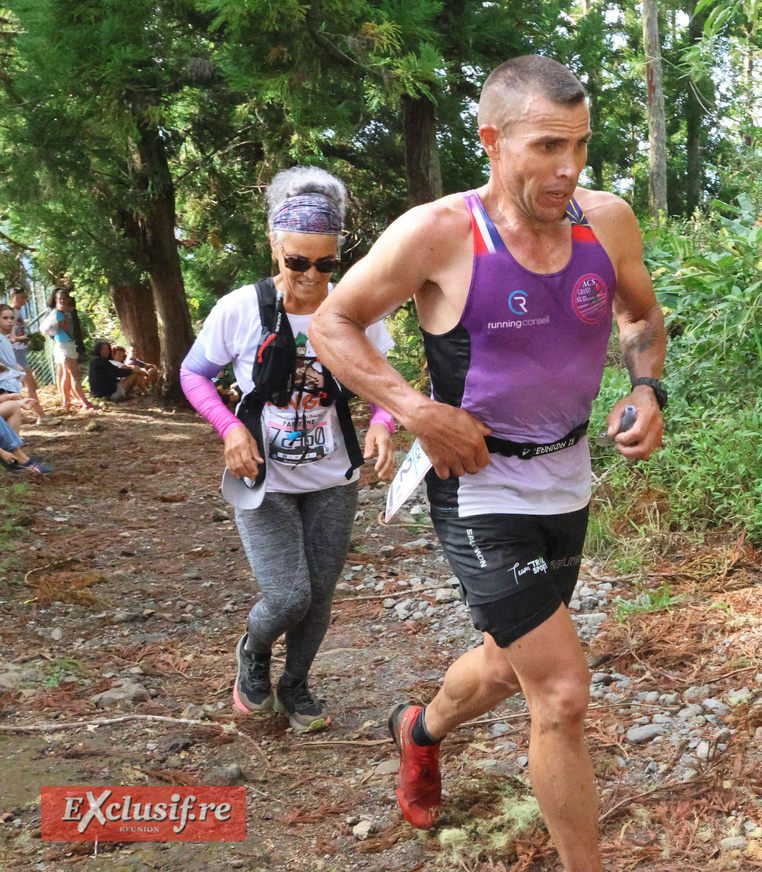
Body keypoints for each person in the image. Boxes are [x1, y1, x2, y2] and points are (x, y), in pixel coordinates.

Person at [310, 56, 666, 870]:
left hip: (566, 475)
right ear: (493, 141)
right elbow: (334, 322)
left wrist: (648, 390)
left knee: (509, 664)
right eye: (546, 146)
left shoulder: (605, 222)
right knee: (562, 693)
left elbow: (642, 317)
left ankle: (421, 729)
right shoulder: (438, 232)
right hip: (477, 488)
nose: (567, 167)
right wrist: (419, 409)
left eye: (578, 145)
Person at [181, 166, 398, 733]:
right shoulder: (240, 309)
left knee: (320, 595)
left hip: (333, 476)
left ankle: (296, 684)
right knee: (288, 595)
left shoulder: (352, 309)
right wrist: (229, 428)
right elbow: (194, 374)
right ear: (275, 247)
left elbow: (384, 382)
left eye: (325, 264)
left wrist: (383, 423)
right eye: (297, 261)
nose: (310, 275)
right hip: (263, 478)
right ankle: (253, 651)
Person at [46, 290, 97, 412]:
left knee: (67, 374)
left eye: (64, 298)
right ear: (56, 301)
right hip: (64, 345)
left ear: (68, 299)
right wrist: (66, 315)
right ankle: (84, 402)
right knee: (74, 375)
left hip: (67, 344)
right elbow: (67, 328)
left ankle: (66, 401)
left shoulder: (65, 312)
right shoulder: (59, 313)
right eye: (59, 299)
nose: (62, 301)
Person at [6, 291, 49, 424]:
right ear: (11, 299)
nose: (20, 300)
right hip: (14, 353)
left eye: (23, 298)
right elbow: (8, 337)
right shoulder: (11, 314)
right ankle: (41, 416)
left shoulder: (19, 313)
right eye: (17, 298)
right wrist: (23, 338)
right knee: (30, 384)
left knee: (24, 385)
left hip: (20, 352)